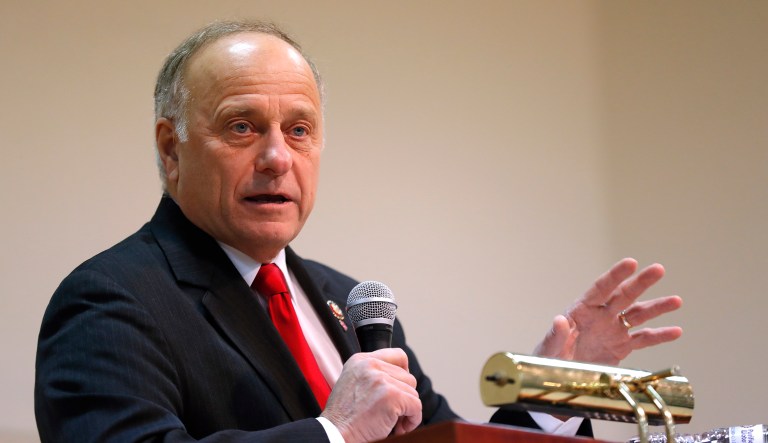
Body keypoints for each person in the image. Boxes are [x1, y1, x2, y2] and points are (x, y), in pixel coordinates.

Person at [34, 20, 683, 443]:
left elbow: (440, 439)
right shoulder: (110, 300)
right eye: (241, 127)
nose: (276, 157)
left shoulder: (356, 304)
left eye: (299, 129)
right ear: (170, 149)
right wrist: (331, 432)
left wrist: (558, 389)